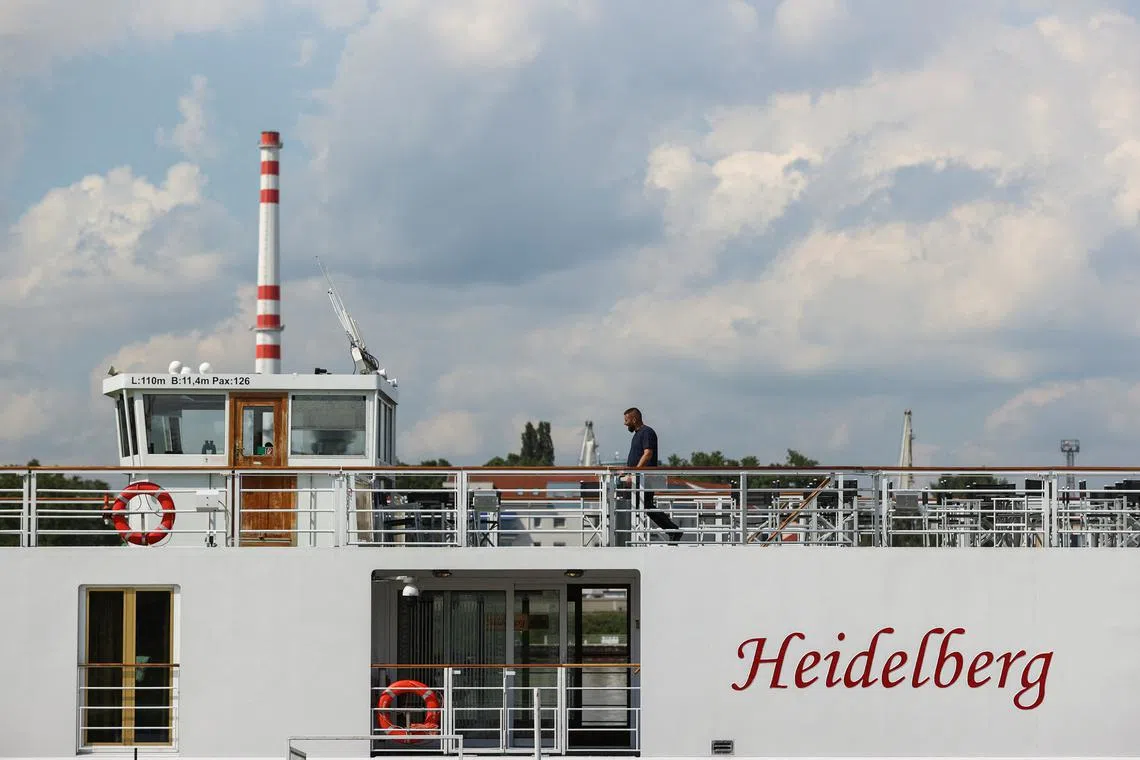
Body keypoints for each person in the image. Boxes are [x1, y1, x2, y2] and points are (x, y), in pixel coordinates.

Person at [622, 407, 683, 544]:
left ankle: (673, 530)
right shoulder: (638, 434)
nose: (625, 424)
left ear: (634, 419)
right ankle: (672, 530)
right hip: (637, 478)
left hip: (644, 479)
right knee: (637, 505)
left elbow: (648, 453)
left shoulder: (647, 432)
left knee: (640, 506)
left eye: (626, 420)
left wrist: (634, 471)